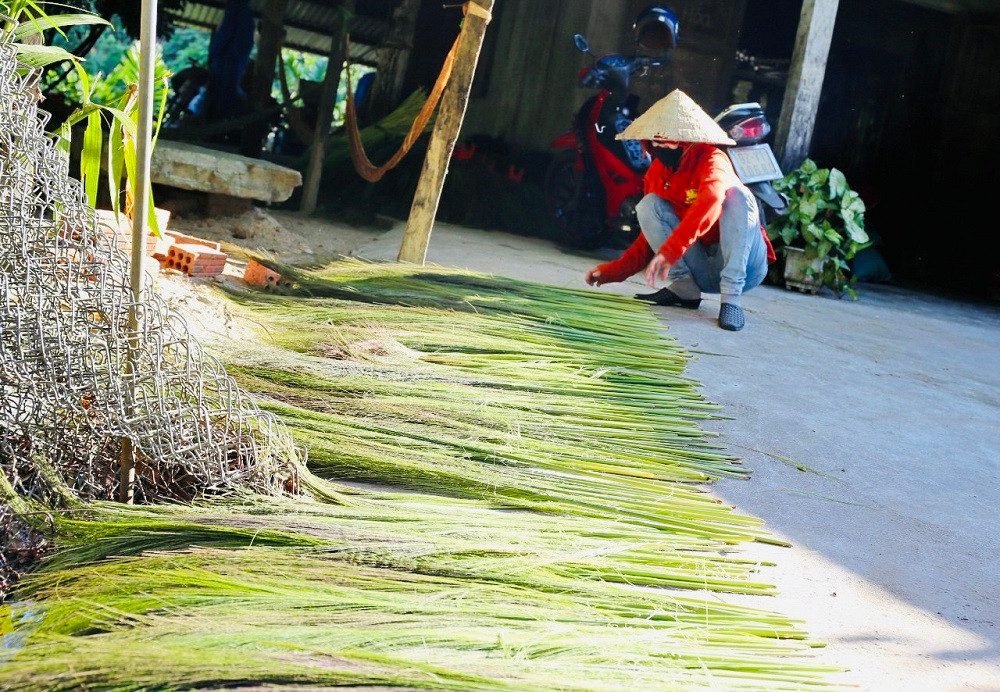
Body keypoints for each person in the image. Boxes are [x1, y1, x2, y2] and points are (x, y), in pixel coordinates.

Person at [584, 89, 775, 331]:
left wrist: (673, 250)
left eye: (664, 140)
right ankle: (684, 290)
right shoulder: (657, 171)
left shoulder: (713, 160)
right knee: (648, 205)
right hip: (703, 270)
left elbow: (712, 199)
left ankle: (731, 299)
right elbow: (651, 235)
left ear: (684, 141)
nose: (657, 146)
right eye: (653, 141)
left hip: (746, 268)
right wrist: (611, 272)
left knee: (736, 196)